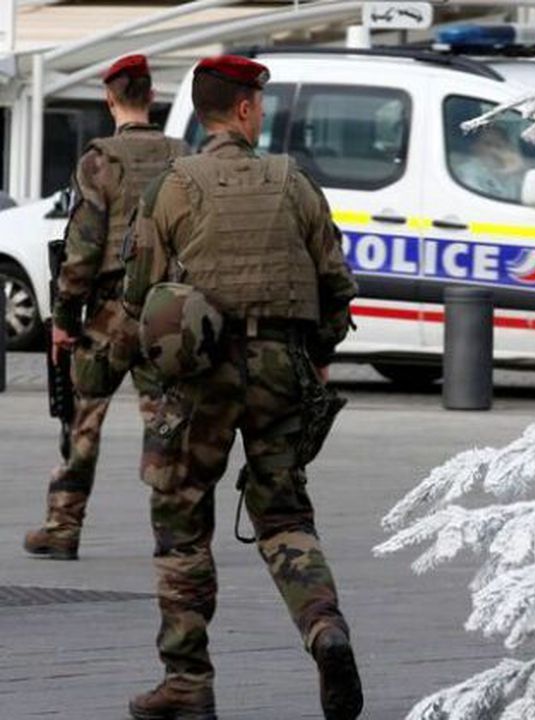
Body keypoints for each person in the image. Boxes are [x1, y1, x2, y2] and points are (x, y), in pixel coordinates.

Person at [121, 55, 362, 720]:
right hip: (282, 368)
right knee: (284, 515)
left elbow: (139, 293)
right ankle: (323, 627)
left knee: (181, 524)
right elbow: (337, 288)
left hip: (200, 378)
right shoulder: (295, 183)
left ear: (204, 113)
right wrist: (318, 356)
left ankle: (187, 679)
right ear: (249, 109)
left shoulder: (172, 185)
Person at [23, 54, 187, 561]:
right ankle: (173, 531)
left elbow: (84, 249)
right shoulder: (182, 156)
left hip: (109, 313)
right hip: (166, 311)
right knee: (164, 420)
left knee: (83, 419)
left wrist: (64, 321)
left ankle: (63, 526)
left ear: (109, 98)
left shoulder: (98, 160)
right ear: (152, 98)